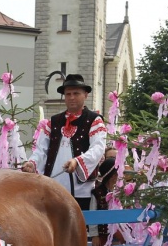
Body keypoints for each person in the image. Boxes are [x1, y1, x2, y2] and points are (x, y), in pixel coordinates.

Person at [22, 74, 106, 210]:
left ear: (86, 95)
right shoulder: (53, 122)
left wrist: (77, 161)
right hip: (53, 185)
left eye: (76, 93)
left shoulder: (94, 120)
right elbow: (41, 149)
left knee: (78, 227)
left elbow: (98, 148)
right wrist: (32, 163)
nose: (72, 97)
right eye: (68, 94)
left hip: (80, 188)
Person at [88, 158, 117, 246]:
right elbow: (93, 215)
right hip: (102, 233)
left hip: (116, 231)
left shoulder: (119, 192)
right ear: (112, 176)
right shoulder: (97, 193)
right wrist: (94, 235)